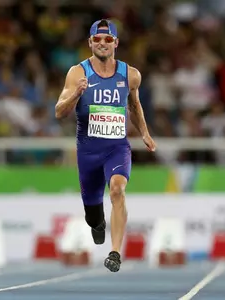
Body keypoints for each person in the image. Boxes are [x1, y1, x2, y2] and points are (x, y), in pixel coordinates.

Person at [55, 19, 156, 272]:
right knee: (92, 212)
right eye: (97, 40)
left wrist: (144, 132)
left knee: (117, 190)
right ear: (90, 43)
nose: (102, 44)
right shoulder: (77, 73)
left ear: (116, 43)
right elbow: (59, 111)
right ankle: (97, 223)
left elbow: (134, 105)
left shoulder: (130, 74)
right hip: (88, 152)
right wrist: (77, 94)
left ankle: (115, 253)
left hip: (116, 148)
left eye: (108, 39)